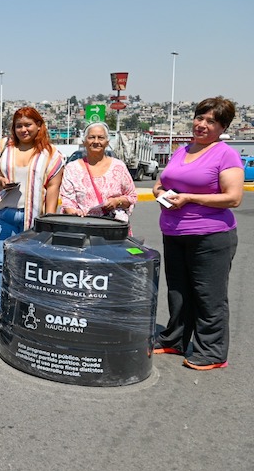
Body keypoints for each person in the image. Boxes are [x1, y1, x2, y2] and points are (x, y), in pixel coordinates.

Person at [151, 96, 243, 371]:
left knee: (208, 294)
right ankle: (175, 339)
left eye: (210, 121)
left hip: (211, 235)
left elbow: (233, 197)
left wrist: (189, 198)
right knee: (178, 291)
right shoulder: (182, 150)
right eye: (200, 118)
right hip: (174, 233)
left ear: (222, 127)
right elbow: (160, 182)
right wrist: (160, 193)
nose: (202, 125)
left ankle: (212, 352)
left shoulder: (225, 153)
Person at [0, 106, 64, 328]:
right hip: (4, 215)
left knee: (28, 266)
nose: (23, 129)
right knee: (0, 264)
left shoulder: (52, 155)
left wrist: (49, 221)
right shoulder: (2, 147)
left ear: (39, 126)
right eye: (19, 126)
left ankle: (22, 309)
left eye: (28, 125)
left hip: (32, 218)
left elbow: (52, 190)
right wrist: (0, 181)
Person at [59, 122, 137, 226]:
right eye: (91, 137)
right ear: (84, 141)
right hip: (83, 227)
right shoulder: (72, 168)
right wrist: (75, 213)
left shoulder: (119, 167)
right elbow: (67, 200)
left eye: (101, 138)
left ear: (107, 142)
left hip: (113, 229)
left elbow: (131, 196)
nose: (96, 141)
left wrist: (117, 201)